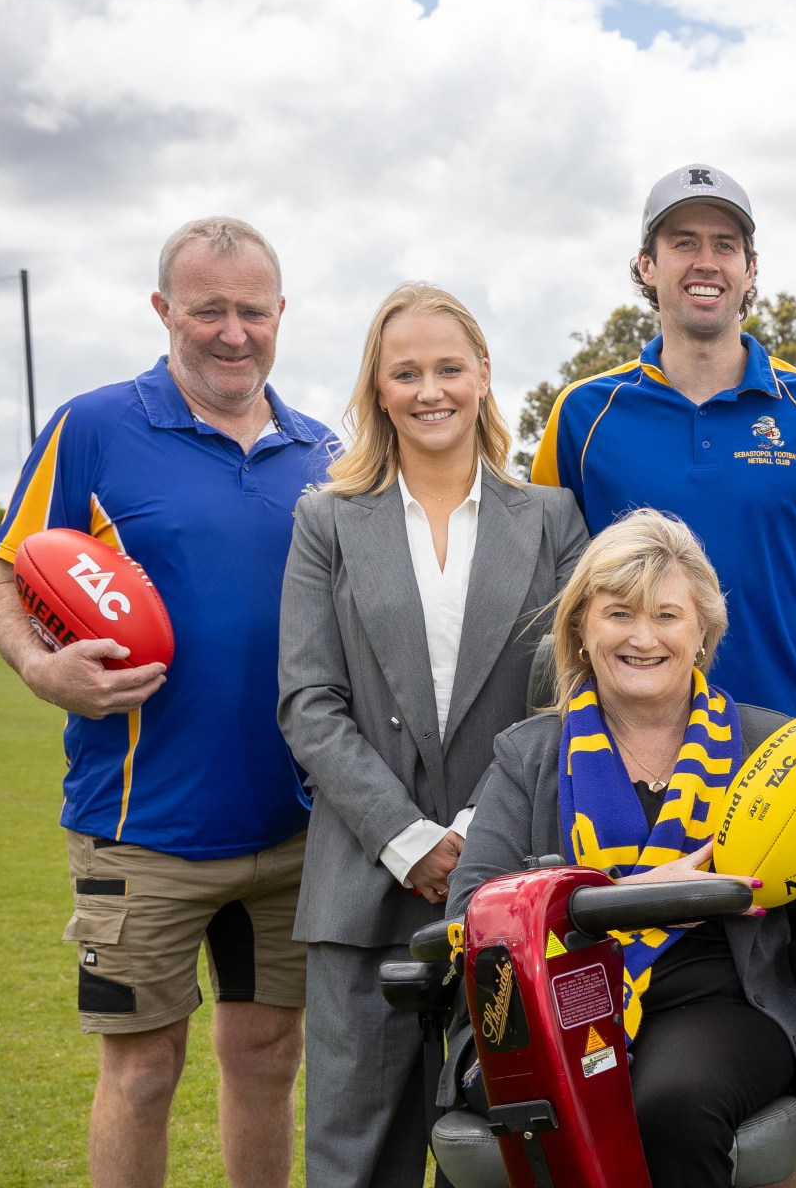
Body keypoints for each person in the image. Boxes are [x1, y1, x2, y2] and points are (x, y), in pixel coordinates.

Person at [0, 217, 333, 1188]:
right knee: (142, 1073)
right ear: (163, 309)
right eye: (208, 309)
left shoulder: (326, 451)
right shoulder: (94, 426)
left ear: (281, 313)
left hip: (295, 828)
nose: (233, 332)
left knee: (268, 1057)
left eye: (252, 310)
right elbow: (10, 579)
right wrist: (43, 671)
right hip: (141, 827)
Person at [447, 508, 796, 1188]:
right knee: (553, 1094)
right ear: (581, 629)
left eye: (667, 616)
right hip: (549, 1005)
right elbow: (469, 913)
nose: (643, 638)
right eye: (619, 614)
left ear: (702, 631)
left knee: (672, 1104)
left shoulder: (774, 748)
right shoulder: (528, 756)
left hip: (719, 999)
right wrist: (621, 898)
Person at [277, 282, 589, 1187]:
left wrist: (476, 832)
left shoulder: (554, 519)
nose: (430, 390)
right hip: (364, 887)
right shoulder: (327, 521)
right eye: (405, 372)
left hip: (507, 886)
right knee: (354, 1161)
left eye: (449, 368)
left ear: (483, 374)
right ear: (378, 388)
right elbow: (308, 701)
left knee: (501, 1159)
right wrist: (408, 840)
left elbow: (570, 696)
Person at [531, 163, 796, 716]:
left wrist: (771, 694)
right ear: (647, 265)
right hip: (622, 740)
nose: (706, 262)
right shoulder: (582, 415)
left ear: (750, 268)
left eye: (725, 245)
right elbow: (557, 593)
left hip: (783, 740)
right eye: (683, 242)